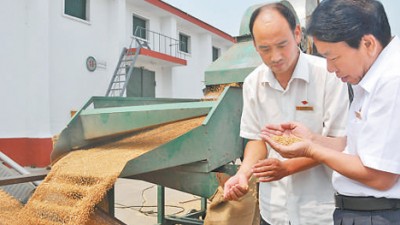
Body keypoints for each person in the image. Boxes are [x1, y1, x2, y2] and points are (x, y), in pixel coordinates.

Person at [260, 0, 400, 224]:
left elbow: (380, 176)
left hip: (378, 214)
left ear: (368, 44)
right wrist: (312, 138)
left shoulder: (392, 81)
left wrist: (310, 149)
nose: (330, 69)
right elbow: (357, 148)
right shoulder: (370, 78)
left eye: (333, 57)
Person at [223, 2, 349, 225]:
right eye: (265, 49)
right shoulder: (253, 82)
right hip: (273, 211)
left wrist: (288, 167)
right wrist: (243, 173)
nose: (275, 56)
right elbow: (257, 140)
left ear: (297, 33)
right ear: (254, 45)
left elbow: (337, 142)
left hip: (318, 209)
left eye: (282, 44)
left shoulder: (328, 75)